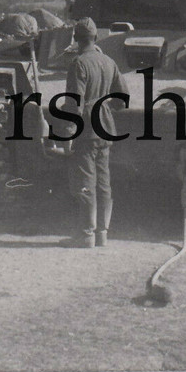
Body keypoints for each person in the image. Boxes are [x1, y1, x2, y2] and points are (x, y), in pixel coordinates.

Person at [61, 17, 127, 249]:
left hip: (86, 129)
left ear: (76, 39)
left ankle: (86, 234)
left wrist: (69, 133)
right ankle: (102, 233)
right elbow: (122, 99)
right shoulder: (109, 62)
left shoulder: (79, 63)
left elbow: (74, 104)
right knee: (103, 181)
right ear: (96, 37)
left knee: (86, 182)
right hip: (105, 127)